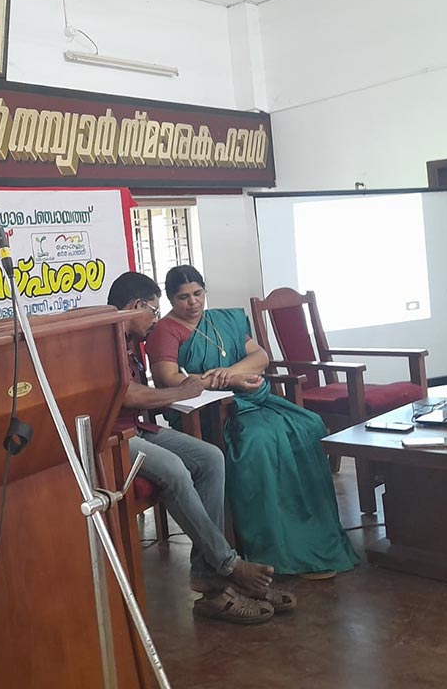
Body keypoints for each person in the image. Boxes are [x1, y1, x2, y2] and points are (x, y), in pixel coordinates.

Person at [145, 265, 360, 578]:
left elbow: (260, 357)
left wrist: (230, 373)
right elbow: (169, 378)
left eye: (198, 294)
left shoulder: (223, 320)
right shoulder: (166, 330)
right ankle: (274, 545)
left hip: (250, 399)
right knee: (257, 441)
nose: (192, 302)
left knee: (308, 425)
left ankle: (311, 532)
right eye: (183, 297)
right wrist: (222, 381)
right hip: (206, 413)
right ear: (170, 299)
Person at [109, 271, 296, 624]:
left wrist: (215, 379)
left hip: (139, 428)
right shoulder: (103, 340)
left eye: (198, 293)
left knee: (210, 457)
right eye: (154, 310)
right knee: (176, 470)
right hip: (112, 439)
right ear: (136, 305)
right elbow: (129, 395)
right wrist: (178, 392)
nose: (155, 319)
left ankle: (206, 575)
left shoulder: (132, 337)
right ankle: (228, 566)